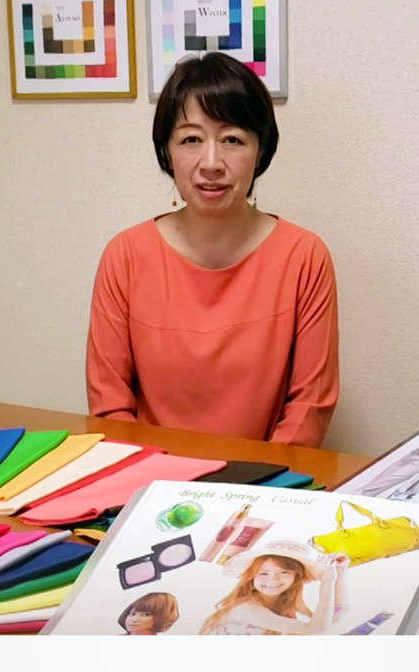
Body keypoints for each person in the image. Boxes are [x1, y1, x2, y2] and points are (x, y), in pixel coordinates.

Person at [85, 52, 339, 447]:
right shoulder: (126, 256)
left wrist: (258, 481)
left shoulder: (304, 257)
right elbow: (110, 407)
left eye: (232, 140)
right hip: (149, 475)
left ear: (261, 150)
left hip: (267, 476)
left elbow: (309, 409)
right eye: (191, 139)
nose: (211, 163)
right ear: (167, 151)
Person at [199, 541, 348, 634]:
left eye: (284, 572)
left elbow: (334, 617)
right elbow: (316, 628)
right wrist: (327, 582)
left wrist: (340, 571)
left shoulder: (285, 604)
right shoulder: (246, 609)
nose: (272, 580)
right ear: (251, 576)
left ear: (296, 577)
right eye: (263, 573)